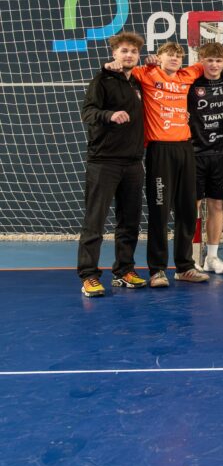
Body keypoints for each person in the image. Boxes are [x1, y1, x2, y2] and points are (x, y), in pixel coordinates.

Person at [125, 42, 223, 287]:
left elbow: (215, 65)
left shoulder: (188, 74)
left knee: (188, 210)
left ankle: (184, 267)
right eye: (169, 55)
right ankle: (157, 270)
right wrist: (138, 62)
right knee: (159, 211)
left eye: (178, 56)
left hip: (186, 148)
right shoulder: (147, 73)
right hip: (160, 149)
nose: (174, 59)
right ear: (159, 57)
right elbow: (125, 69)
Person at [77, 32, 147, 297]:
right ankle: (89, 276)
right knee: (94, 221)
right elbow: (88, 112)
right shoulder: (102, 79)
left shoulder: (137, 82)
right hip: (104, 161)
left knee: (129, 221)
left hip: (133, 162)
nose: (129, 55)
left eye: (133, 51)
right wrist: (109, 115)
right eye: (124, 51)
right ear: (114, 53)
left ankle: (124, 271)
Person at [187, 42, 223, 274]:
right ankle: (188, 258)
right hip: (195, 154)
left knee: (217, 205)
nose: (214, 65)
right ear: (201, 61)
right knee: (193, 206)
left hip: (221, 154)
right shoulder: (190, 83)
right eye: (209, 60)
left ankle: (212, 257)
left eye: (218, 61)